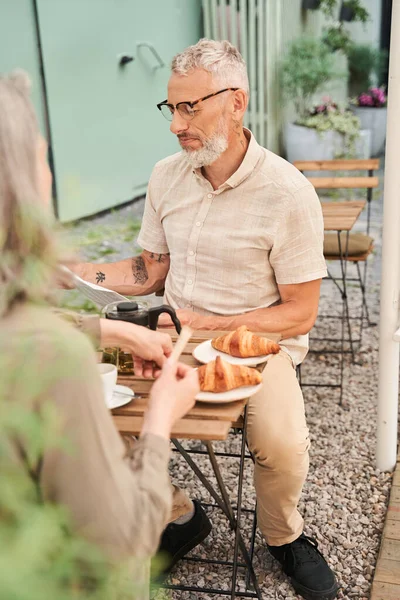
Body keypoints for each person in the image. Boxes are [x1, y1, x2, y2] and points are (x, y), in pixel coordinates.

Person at [70, 39, 339, 600]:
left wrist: (207, 323)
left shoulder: (288, 193)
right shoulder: (168, 175)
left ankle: (284, 538)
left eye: (190, 107)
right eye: (172, 108)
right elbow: (149, 271)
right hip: (171, 336)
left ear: (236, 103)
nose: (176, 125)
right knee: (94, 410)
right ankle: (179, 515)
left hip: (256, 347)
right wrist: (75, 271)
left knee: (282, 442)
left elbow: (300, 312)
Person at [0, 71, 199, 597]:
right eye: (42, 157)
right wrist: (160, 418)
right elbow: (121, 547)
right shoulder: (48, 359)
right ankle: (182, 511)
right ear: (19, 180)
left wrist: (107, 329)